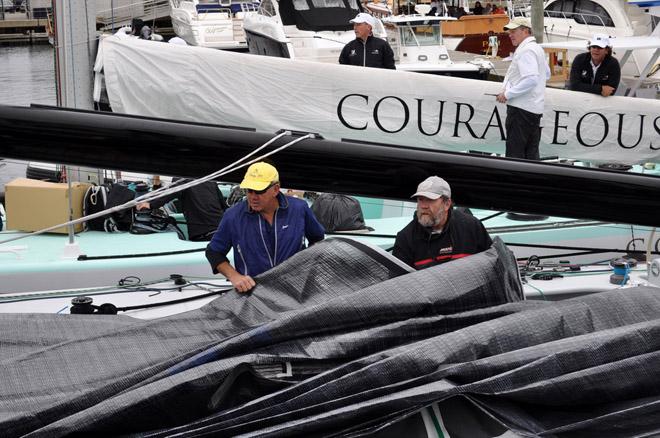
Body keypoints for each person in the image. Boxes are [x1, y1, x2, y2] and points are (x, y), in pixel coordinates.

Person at [206, 162, 325, 292]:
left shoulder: (299, 208)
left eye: (259, 191)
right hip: (253, 293)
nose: (252, 197)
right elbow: (214, 252)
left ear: (276, 189)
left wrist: (308, 268)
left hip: (295, 290)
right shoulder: (233, 216)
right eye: (249, 191)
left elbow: (317, 239)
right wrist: (235, 277)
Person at [392, 176, 492, 270]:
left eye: (430, 200)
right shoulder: (405, 237)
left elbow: (492, 264)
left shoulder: (471, 227)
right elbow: (398, 283)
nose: (423, 206)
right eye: (420, 200)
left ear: (447, 204)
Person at [496, 17, 550, 160]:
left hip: (521, 111)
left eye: (514, 31)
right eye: (509, 32)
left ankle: (514, 181)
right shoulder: (537, 48)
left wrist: (508, 94)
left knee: (515, 155)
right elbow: (547, 74)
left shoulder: (526, 50)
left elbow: (531, 79)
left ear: (525, 31)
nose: (510, 35)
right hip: (534, 110)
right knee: (531, 154)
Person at [136, 178, 228, 241]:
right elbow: (223, 205)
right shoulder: (208, 177)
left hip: (202, 235)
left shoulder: (182, 178)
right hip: (221, 230)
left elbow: (171, 192)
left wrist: (150, 204)